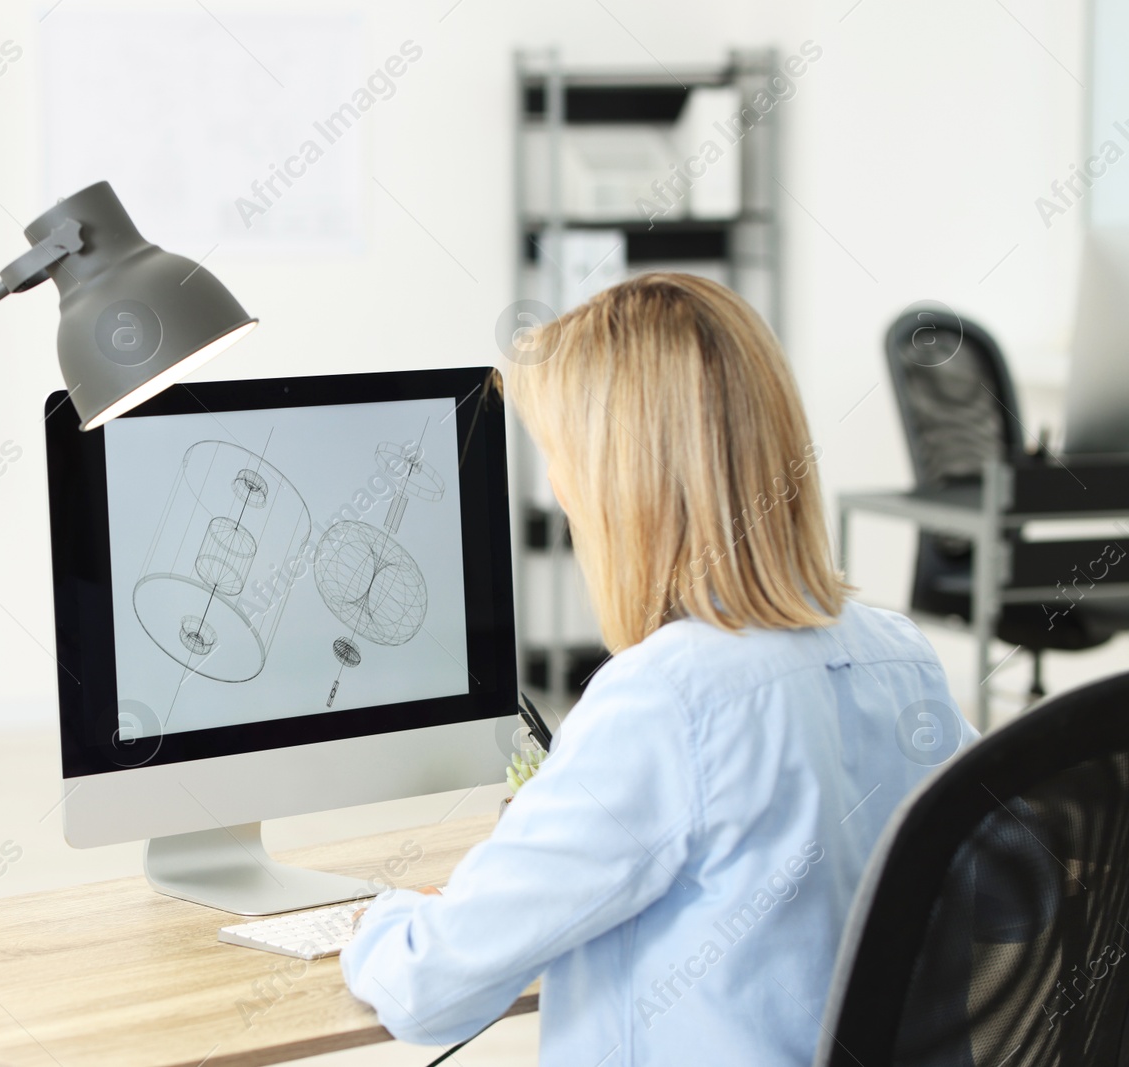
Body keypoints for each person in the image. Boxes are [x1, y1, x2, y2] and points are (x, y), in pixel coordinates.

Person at [341, 273, 972, 1065]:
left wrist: (385, 920)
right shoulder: (898, 656)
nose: (563, 495)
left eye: (562, 464)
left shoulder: (667, 701)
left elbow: (426, 988)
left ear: (621, 491)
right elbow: (1024, 899)